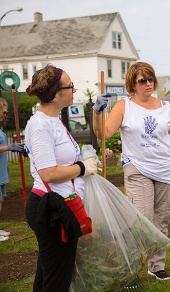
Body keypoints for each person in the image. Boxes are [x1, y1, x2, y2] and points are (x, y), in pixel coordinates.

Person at [92, 62, 170, 281]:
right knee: (141, 218)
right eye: (142, 80)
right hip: (138, 168)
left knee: (161, 220)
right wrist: (97, 113)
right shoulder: (124, 106)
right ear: (132, 84)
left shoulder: (165, 106)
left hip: (166, 168)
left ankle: (156, 265)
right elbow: (103, 134)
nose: (148, 84)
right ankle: (133, 265)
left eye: (151, 79)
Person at [24, 64, 98, 291]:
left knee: (48, 278)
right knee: (57, 281)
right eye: (70, 86)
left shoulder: (54, 121)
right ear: (56, 94)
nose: (74, 90)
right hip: (52, 209)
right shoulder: (40, 125)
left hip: (62, 206)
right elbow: (49, 173)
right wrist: (82, 167)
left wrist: (85, 160)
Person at [0, 98, 25, 242]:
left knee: (1, 200)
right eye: (3, 110)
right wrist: (8, 147)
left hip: (2, 171)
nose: (5, 113)